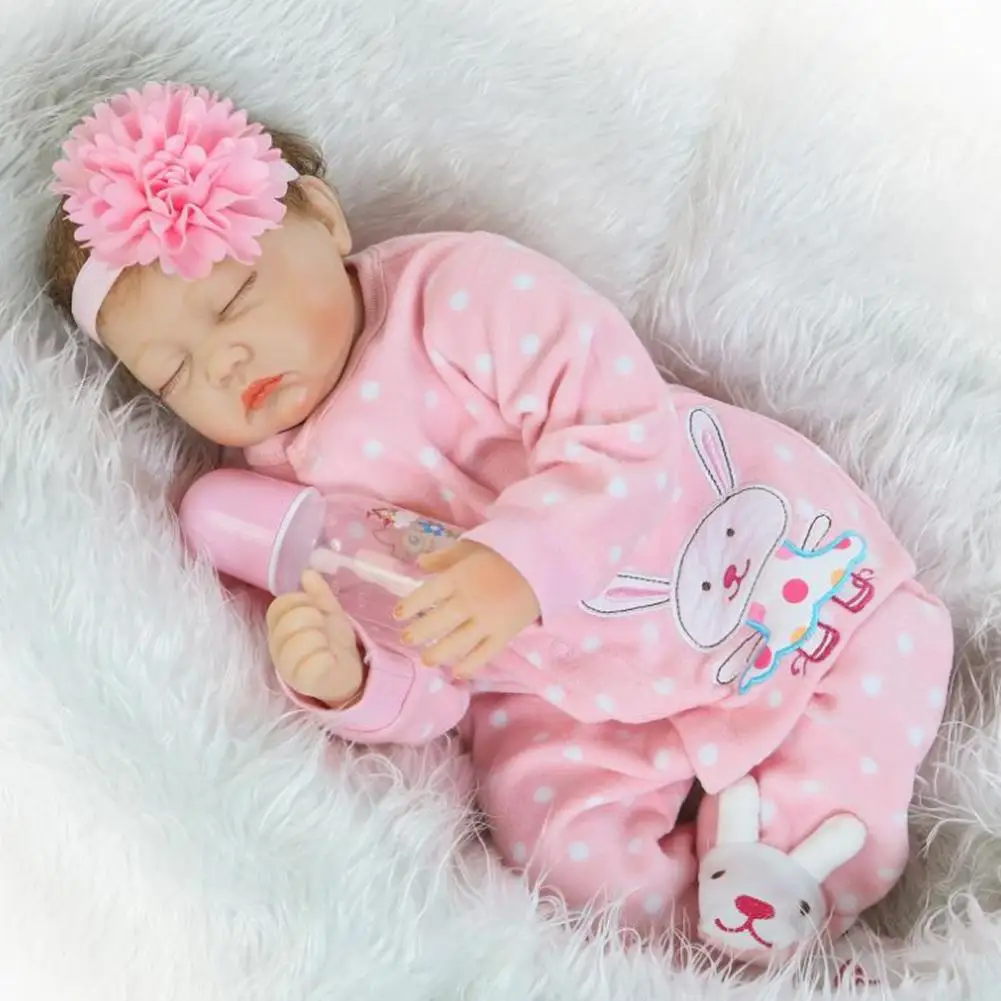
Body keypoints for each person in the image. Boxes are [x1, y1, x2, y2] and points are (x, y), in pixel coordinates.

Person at [43, 82, 953, 960]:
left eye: (234, 299)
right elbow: (438, 688)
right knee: (560, 851)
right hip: (567, 693)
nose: (222, 361)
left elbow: (622, 426)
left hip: (742, 565)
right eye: (172, 373)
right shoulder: (280, 503)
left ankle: (787, 897)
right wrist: (354, 680)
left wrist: (522, 562)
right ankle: (718, 945)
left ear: (320, 216)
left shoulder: (456, 295)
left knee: (850, 765)